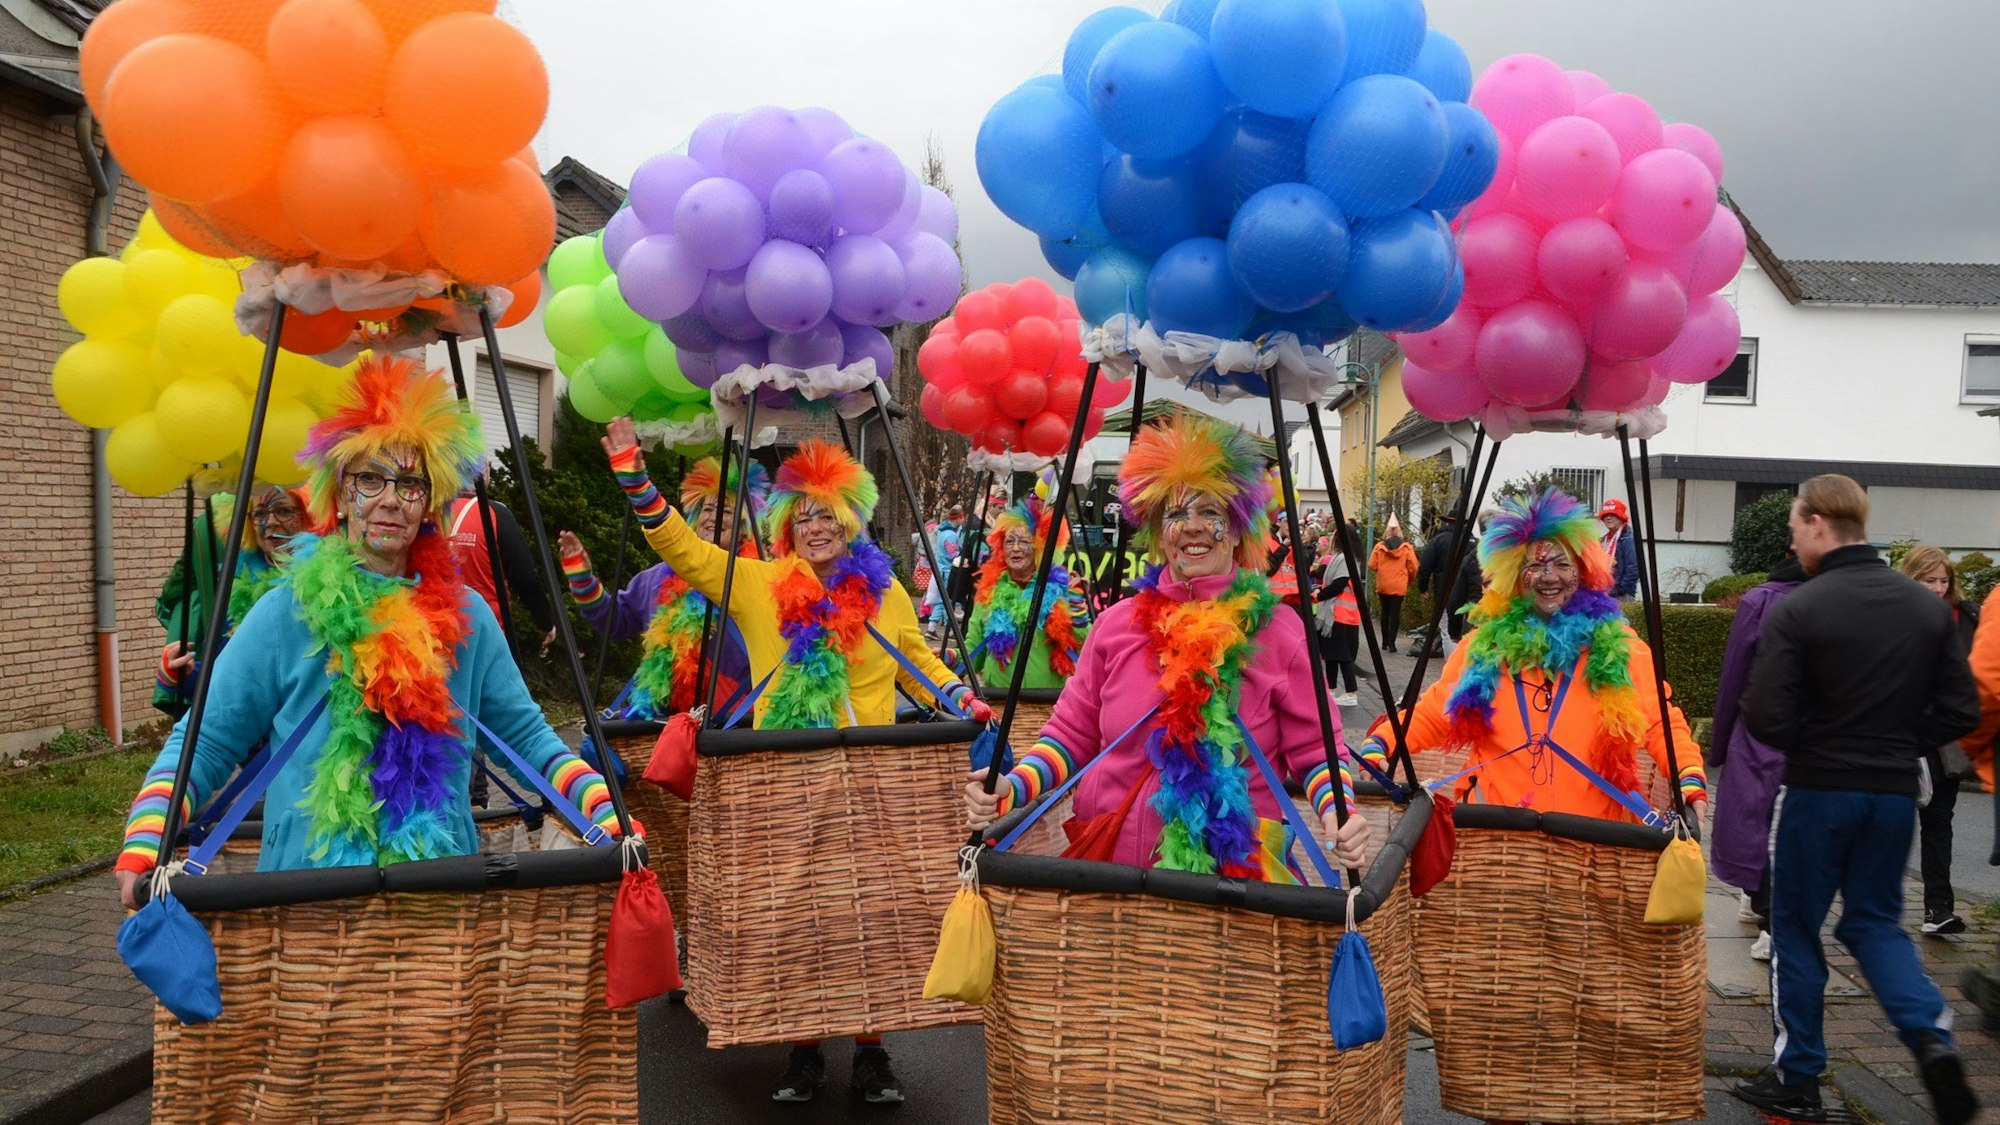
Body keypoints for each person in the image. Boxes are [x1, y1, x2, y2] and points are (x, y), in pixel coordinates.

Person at [115, 355, 628, 903]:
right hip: (306, 890)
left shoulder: (470, 616)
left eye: (410, 483)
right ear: (340, 492)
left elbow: (527, 740)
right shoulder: (285, 610)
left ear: (430, 501)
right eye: (370, 478)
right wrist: (147, 838)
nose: (389, 499)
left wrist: (606, 812)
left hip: (437, 885)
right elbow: (209, 739)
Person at [602, 420, 989, 1105]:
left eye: (827, 514)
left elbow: (918, 663)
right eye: (802, 515)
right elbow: (684, 550)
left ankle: (873, 1054)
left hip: (870, 780)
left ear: (850, 518)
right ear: (785, 525)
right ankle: (803, 1051)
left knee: (870, 918)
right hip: (782, 783)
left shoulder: (888, 592)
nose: (815, 526)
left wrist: (961, 695)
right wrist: (634, 471)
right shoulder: (755, 584)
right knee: (798, 921)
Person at [964, 412, 1370, 879]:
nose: (1192, 527)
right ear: (1159, 534)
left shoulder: (1280, 632)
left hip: (1233, 883)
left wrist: (1339, 813)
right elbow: (1070, 736)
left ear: (1238, 529)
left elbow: (1317, 752)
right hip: (1112, 875)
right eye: (1176, 514)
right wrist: (1011, 788)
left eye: (1210, 512)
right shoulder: (1116, 625)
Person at [1734, 475, 1978, 1125]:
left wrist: (1815, 741)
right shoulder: (1925, 607)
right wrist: (1901, 741)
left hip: (1818, 790)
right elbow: (1962, 705)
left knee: (1793, 929)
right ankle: (1930, 1036)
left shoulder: (1802, 607)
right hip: (1893, 794)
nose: (1792, 539)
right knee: (1874, 922)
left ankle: (1797, 1076)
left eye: (1792, 527)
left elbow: (1763, 713)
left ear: (1817, 522)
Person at [1355, 488, 1705, 821]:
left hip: (1593, 839)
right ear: (1512, 575)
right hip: (1498, 839)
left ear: (1584, 571)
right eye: (1534, 566)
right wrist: (1384, 741)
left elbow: (1660, 721)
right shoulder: (1485, 646)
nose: (1548, 577)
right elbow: (1438, 710)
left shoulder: (1621, 648)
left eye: (1562, 565)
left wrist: (1687, 774)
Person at [556, 457, 767, 722]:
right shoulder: (655, 578)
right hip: (666, 722)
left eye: (725, 511)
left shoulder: (757, 577)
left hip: (737, 723)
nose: (713, 518)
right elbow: (615, 621)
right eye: (707, 509)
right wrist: (583, 580)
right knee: (599, 749)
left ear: (744, 526)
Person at [1706, 551, 1807, 962]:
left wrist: (1721, 741)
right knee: (1790, 829)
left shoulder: (1760, 601)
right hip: (1813, 737)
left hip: (1758, 732)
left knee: (1753, 822)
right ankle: (1767, 910)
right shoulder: (1834, 599)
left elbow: (1734, 674)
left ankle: (1767, 915)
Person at [153, 482, 309, 718]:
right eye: (260, 513)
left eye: (284, 511)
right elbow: (224, 683)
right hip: (254, 738)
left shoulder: (332, 582)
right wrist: (180, 674)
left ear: (308, 515)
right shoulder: (234, 588)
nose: (272, 522)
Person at [1899, 546, 1979, 938]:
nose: (1936, 588)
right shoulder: (1893, 615)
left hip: (1943, 736)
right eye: (1928, 580)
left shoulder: (1967, 617)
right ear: (1911, 578)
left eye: (1942, 580)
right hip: (1900, 733)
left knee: (1937, 821)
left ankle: (1938, 907)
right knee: (1889, 822)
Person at [962, 475, 1091, 691]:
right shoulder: (989, 591)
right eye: (1009, 541)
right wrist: (948, 658)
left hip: (1049, 704)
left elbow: (1088, 645)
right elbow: (973, 651)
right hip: (999, 701)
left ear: (1039, 547)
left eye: (1024, 541)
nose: (1015, 548)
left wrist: (1078, 611)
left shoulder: (1061, 590)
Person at [445, 488, 557, 658]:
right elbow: (525, 578)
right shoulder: (495, 514)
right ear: (484, 475)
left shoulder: (433, 512)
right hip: (488, 634)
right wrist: (545, 622)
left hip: (438, 633)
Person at [1312, 538, 1362, 707]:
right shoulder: (1344, 557)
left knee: (1343, 655)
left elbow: (1338, 585)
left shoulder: (1345, 559)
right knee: (1331, 655)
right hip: (1338, 615)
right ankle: (1331, 690)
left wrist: (1319, 595)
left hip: (1340, 615)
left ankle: (1350, 693)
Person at [1416, 512, 1471, 644]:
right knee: (1467, 628)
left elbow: (1425, 565)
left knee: (1447, 629)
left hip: (1444, 590)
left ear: (1447, 522)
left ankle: (1451, 661)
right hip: (1468, 593)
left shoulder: (1438, 540)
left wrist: (1423, 587)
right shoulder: (1471, 541)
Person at [1367, 514, 1418, 653]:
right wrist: (1409, 578)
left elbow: (1371, 564)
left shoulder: (1379, 547)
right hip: (1399, 585)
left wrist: (1383, 569)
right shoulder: (1406, 548)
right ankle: (1392, 643)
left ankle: (1384, 641)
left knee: (1385, 612)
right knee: (1395, 614)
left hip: (1384, 584)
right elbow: (1414, 567)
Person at [1599, 498, 1640, 599]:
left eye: (1612, 515)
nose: (1608, 518)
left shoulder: (1628, 539)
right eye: (1605, 516)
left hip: (1621, 594)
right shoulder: (1603, 540)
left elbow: (1633, 568)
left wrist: (1618, 590)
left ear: (1621, 517)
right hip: (1604, 592)